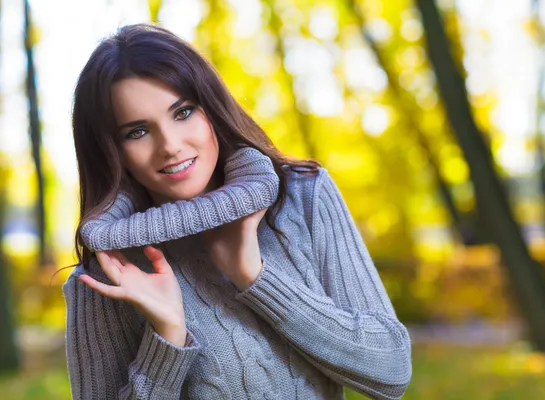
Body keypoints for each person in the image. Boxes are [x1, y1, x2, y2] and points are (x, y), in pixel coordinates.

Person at [62, 23, 412, 400]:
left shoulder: (301, 195)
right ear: (111, 151)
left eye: (182, 112)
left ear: (211, 108)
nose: (171, 146)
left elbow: (390, 372)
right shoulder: (108, 274)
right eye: (137, 132)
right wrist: (167, 336)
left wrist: (254, 275)